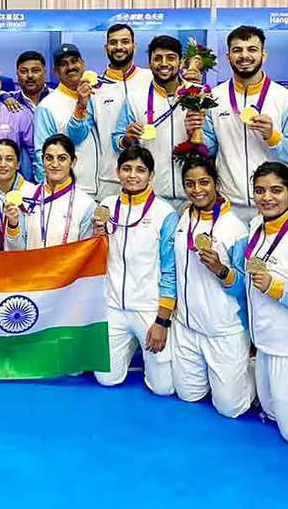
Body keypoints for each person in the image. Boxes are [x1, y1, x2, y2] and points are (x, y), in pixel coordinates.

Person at [222, 162, 288, 444]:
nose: (267, 198)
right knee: (270, 412)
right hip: (265, 346)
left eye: (276, 190)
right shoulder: (256, 226)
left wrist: (276, 288)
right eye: (260, 191)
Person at [170, 153, 253, 418]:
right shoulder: (183, 217)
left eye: (204, 182)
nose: (197, 190)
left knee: (230, 408)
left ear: (216, 182)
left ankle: (252, 369)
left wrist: (220, 269)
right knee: (187, 395)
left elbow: (243, 286)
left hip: (223, 330)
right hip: (186, 327)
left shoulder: (236, 228)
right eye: (190, 184)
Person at [92, 146, 178, 395]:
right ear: (117, 172)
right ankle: (129, 344)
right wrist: (96, 238)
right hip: (113, 307)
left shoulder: (164, 213)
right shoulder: (106, 207)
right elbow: (95, 256)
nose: (133, 175)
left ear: (151, 175)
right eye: (127, 169)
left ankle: (142, 340)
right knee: (106, 379)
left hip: (148, 309)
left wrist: (162, 320)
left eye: (140, 170)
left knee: (164, 388)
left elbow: (170, 270)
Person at [205, 25, 288, 221]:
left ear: (264, 54)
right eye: (237, 50)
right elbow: (208, 150)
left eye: (252, 49)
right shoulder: (214, 98)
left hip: (276, 206)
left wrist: (273, 137)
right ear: (228, 56)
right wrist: (194, 130)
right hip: (229, 206)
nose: (244, 56)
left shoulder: (286, 99)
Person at [115, 35, 208, 206]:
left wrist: (195, 135)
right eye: (157, 58)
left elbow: (214, 145)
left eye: (171, 58)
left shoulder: (200, 95)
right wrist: (128, 138)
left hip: (193, 195)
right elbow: (117, 140)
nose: (164, 64)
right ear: (150, 63)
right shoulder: (135, 98)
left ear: (181, 62)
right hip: (150, 195)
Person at [90, 24, 153, 201]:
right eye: (113, 42)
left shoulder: (151, 79)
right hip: (110, 180)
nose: (119, 47)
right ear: (106, 48)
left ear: (134, 46)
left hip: (149, 176)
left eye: (125, 42)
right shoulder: (95, 87)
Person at [33, 44, 102, 199]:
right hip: (70, 190)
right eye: (63, 64)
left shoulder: (99, 94)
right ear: (56, 71)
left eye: (74, 61)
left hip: (108, 187)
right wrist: (48, 192)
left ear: (83, 63)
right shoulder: (47, 106)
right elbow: (40, 154)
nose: (70, 67)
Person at [8, 134, 95, 250]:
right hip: (32, 267)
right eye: (49, 158)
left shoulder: (86, 205)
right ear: (42, 160)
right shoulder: (25, 196)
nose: (54, 164)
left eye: (62, 158)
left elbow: (86, 252)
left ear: (73, 161)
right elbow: (17, 250)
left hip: (68, 268)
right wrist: (13, 225)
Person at [0, 139, 36, 251]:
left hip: (24, 265)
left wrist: (14, 225)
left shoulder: (33, 194)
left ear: (18, 164)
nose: (3, 164)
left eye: (9, 159)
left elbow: (34, 242)